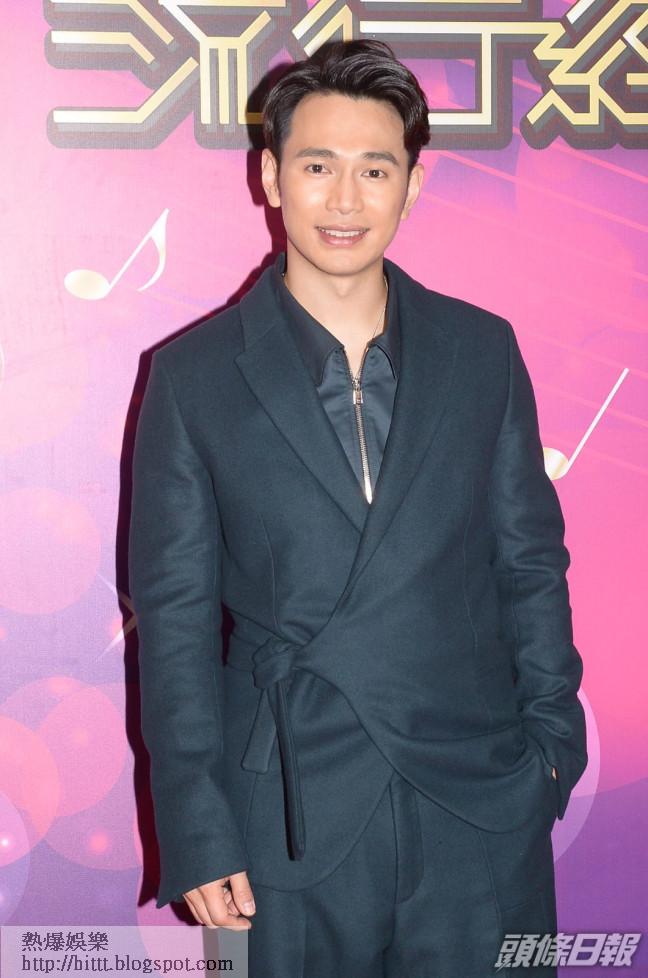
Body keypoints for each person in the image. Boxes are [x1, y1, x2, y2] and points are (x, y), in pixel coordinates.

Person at [128, 38, 587, 978]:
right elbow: (174, 623)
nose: (345, 200)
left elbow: (531, 563)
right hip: (286, 807)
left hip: (477, 797)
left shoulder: (481, 351)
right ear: (270, 177)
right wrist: (198, 825)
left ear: (411, 185)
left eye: (375, 170)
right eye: (317, 166)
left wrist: (552, 750)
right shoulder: (192, 377)